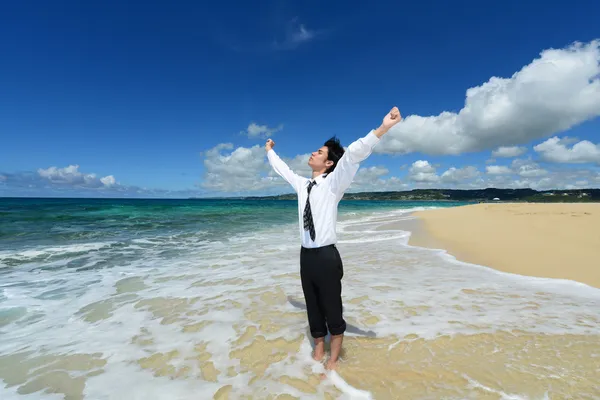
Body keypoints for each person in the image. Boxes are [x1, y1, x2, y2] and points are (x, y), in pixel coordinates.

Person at [265, 106, 402, 370]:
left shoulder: (334, 183)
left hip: (327, 256)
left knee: (332, 306)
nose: (313, 152)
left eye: (320, 152)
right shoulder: (302, 185)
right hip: (306, 255)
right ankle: (318, 349)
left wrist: (383, 128)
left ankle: (334, 359)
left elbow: (351, 156)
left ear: (328, 163)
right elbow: (282, 169)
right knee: (312, 306)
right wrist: (269, 150)